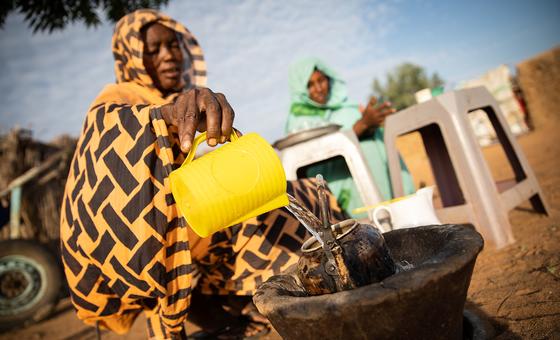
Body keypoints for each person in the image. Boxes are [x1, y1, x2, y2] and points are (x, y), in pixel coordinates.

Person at [60, 10, 345, 339]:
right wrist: (164, 115)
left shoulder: (174, 99)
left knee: (297, 194)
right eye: (153, 50)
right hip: (159, 240)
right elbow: (109, 135)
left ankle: (251, 308)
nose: (169, 56)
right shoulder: (115, 103)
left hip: (197, 232)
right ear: (131, 57)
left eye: (173, 45)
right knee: (265, 217)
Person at [285, 57, 415, 218]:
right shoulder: (298, 120)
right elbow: (316, 152)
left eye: (321, 80)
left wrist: (372, 124)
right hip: (348, 197)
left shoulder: (348, 107)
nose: (318, 88)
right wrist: (362, 124)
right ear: (300, 89)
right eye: (310, 85)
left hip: (379, 183)